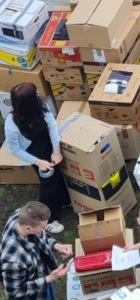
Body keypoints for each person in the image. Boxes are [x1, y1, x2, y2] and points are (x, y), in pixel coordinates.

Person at [5, 84, 68, 235]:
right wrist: (38, 162)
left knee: (58, 173)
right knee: (48, 181)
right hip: (33, 151)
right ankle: (48, 218)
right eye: (36, 93)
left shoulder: (40, 104)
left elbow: (52, 125)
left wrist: (56, 150)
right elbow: (14, 149)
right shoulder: (11, 125)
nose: (39, 93)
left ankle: (64, 201)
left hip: (45, 141)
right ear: (29, 102)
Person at [0, 201, 73, 300]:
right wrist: (49, 278)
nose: (44, 230)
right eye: (42, 227)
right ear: (28, 228)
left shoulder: (22, 216)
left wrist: (56, 245)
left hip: (41, 277)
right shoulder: (12, 262)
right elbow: (15, 292)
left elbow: (40, 235)